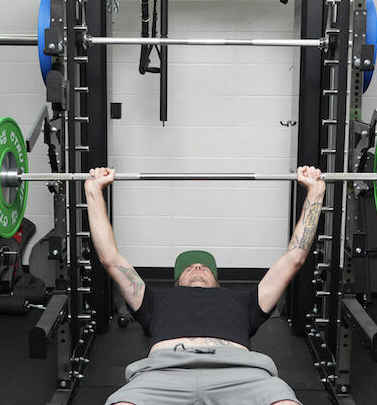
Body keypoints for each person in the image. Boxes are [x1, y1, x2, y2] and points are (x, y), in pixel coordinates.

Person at [84, 166, 326, 405]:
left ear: (217, 282)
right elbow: (110, 258)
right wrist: (93, 191)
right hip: (165, 371)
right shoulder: (153, 300)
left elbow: (295, 258)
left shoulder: (246, 301)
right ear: (177, 283)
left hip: (239, 371)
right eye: (190, 267)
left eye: (204, 267)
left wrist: (315, 192)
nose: (198, 267)